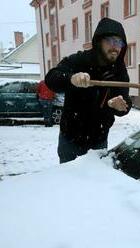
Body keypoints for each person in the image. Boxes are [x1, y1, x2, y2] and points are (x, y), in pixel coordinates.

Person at [45, 18, 132, 164]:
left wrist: (120, 106)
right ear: (99, 41)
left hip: (99, 140)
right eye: (110, 41)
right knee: (67, 181)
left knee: (94, 183)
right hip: (70, 139)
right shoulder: (79, 61)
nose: (115, 47)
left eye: (119, 42)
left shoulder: (119, 71)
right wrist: (71, 79)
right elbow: (51, 78)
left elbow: (125, 100)